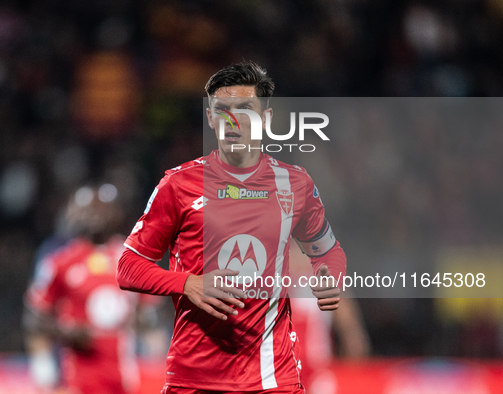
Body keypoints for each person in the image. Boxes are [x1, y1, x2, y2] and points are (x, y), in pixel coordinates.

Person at [117, 62, 347, 394]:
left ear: (266, 120)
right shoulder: (178, 184)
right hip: (194, 378)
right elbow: (128, 267)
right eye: (221, 110)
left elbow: (327, 249)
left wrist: (330, 275)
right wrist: (188, 284)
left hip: (272, 377)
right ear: (210, 118)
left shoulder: (294, 184)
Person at [23, 184, 141, 394]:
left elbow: (149, 314)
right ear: (76, 213)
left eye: (102, 207)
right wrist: (65, 333)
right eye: (89, 208)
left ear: (117, 212)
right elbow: (34, 318)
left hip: (125, 378)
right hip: (78, 380)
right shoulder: (59, 262)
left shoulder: (133, 259)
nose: (96, 215)